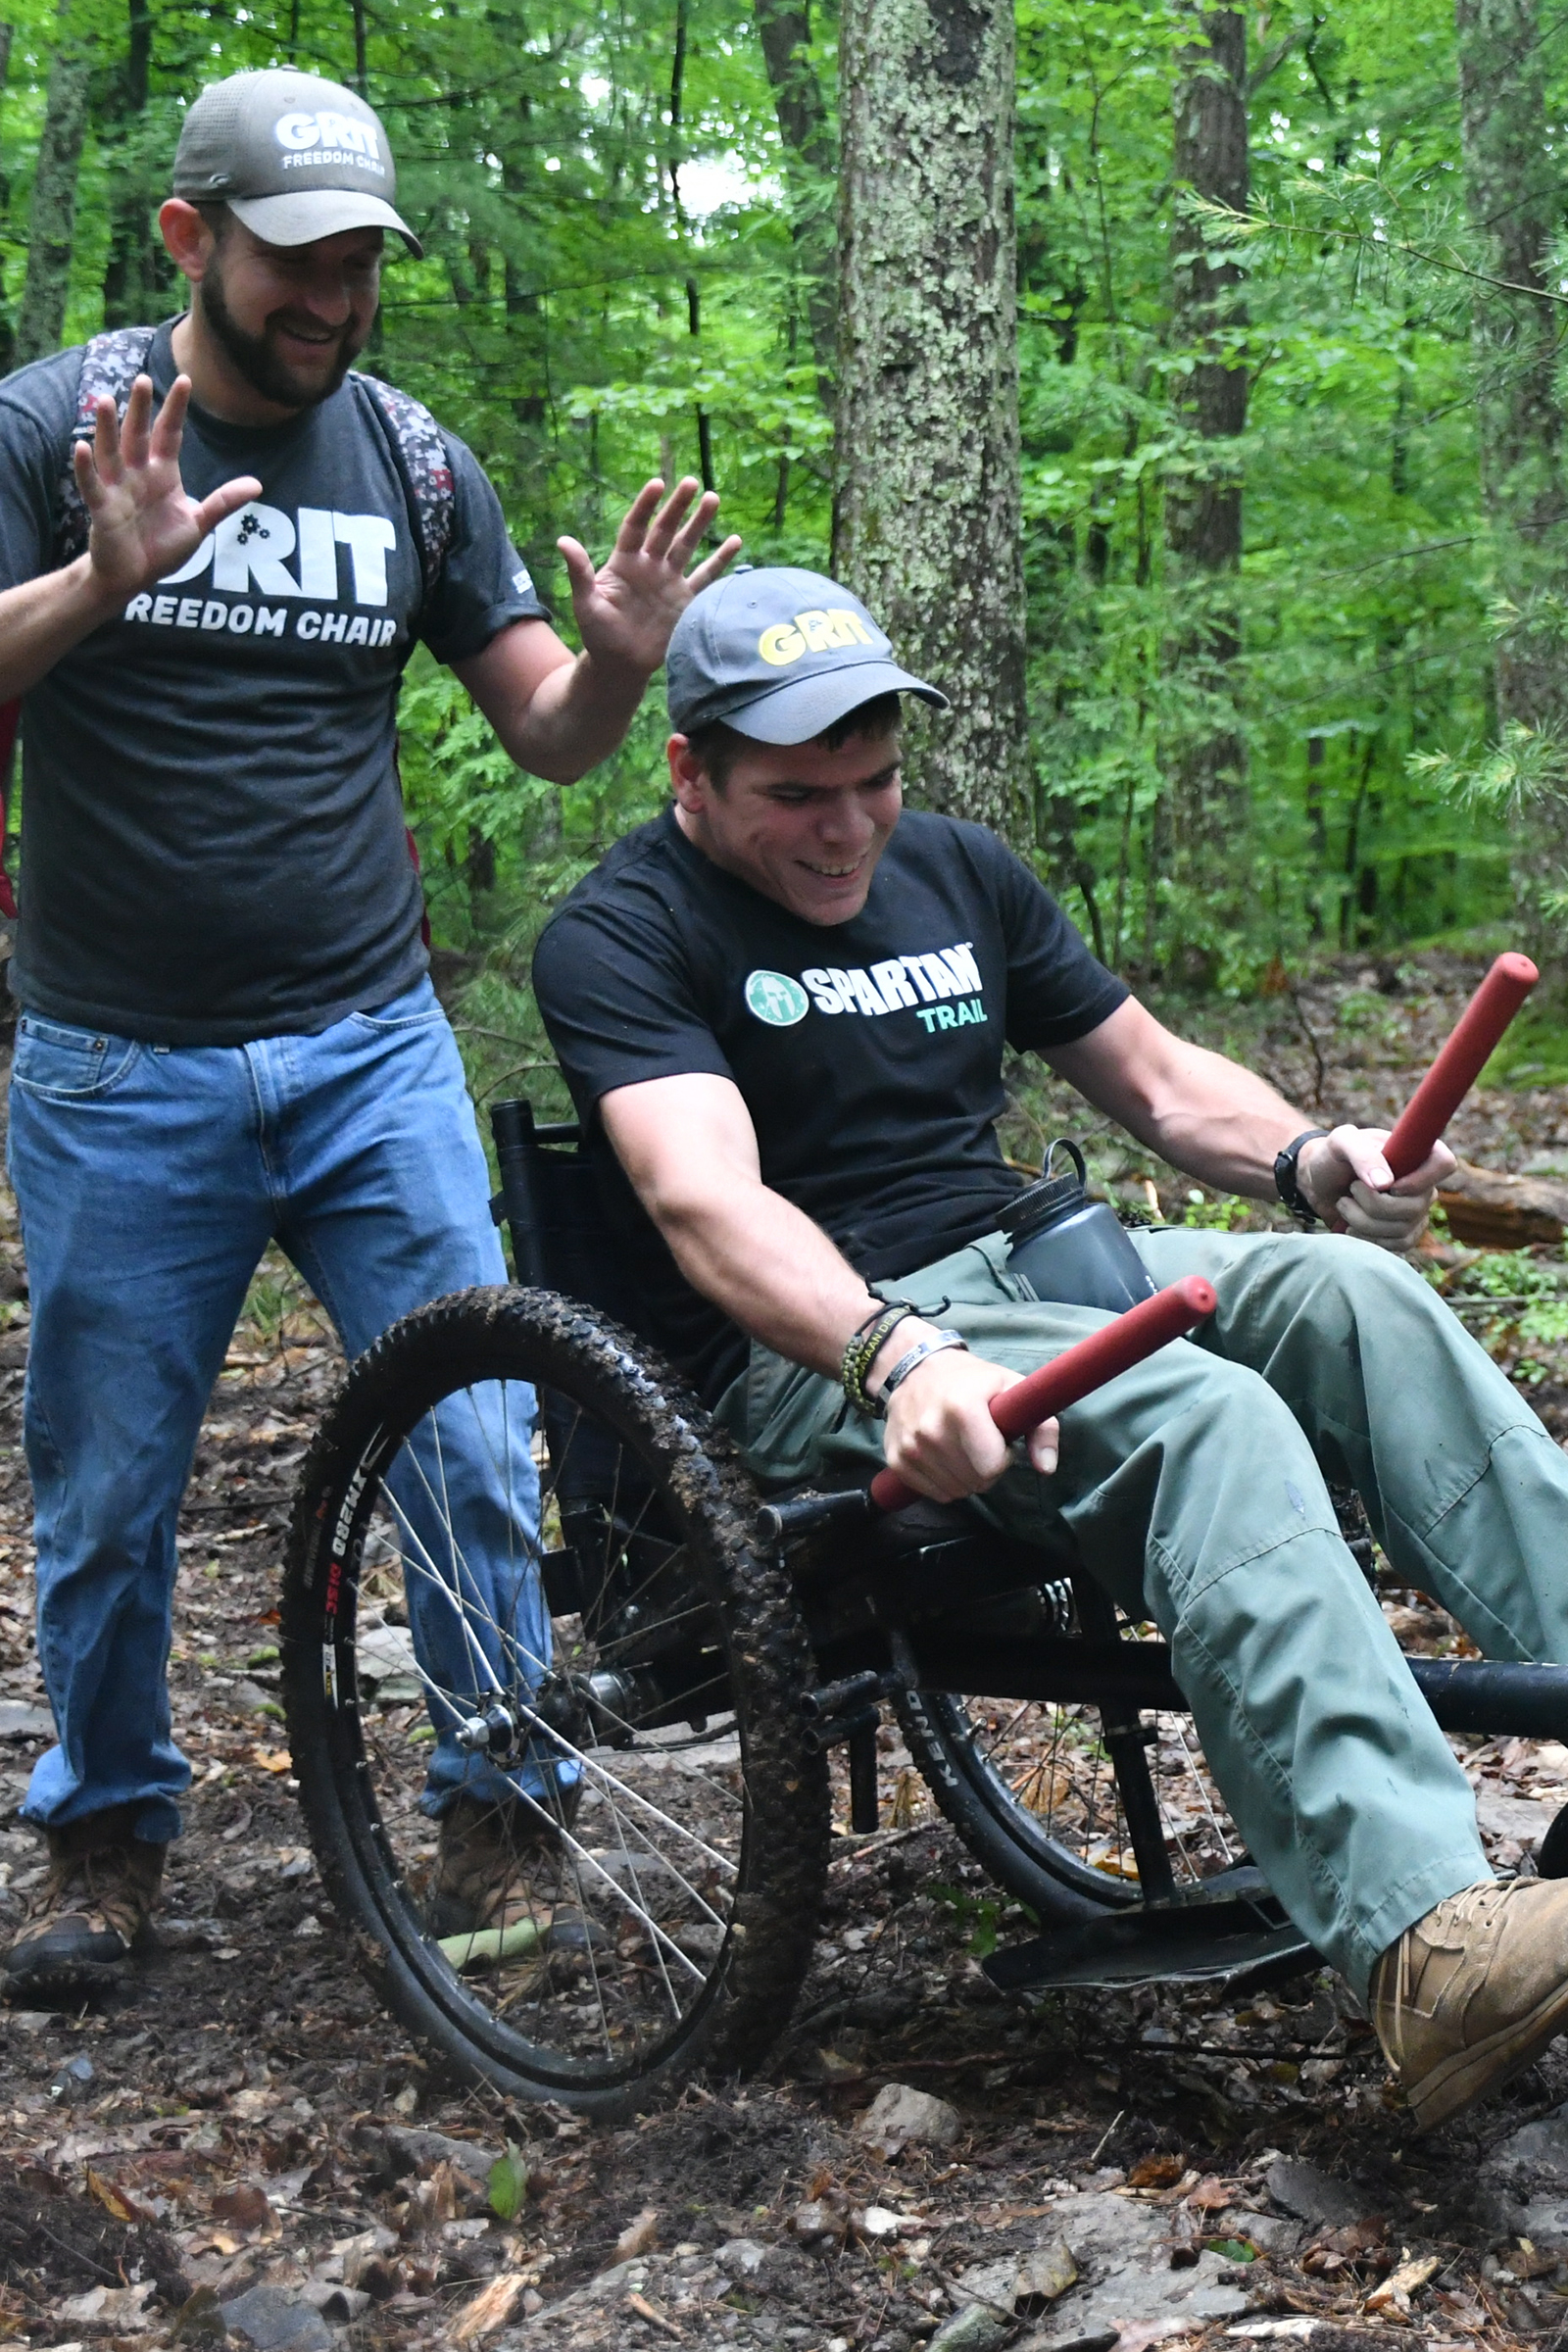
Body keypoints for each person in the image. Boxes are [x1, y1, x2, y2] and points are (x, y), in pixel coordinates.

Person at [533, 563, 1568, 2132]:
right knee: (1198, 1416)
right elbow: (704, 1203)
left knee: (1365, 1299)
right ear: (688, 768)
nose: (848, 829)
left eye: (875, 784)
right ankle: (1423, 1945)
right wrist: (895, 1360)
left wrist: (1315, 1158)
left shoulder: (955, 870)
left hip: (1047, 1260)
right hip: (820, 1343)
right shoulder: (625, 932)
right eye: (797, 795)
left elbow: (1153, 1081)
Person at [0, 66, 741, 1998]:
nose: (332, 304)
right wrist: (102, 577)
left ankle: (500, 1801)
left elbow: (549, 735)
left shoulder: (409, 462)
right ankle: (105, 1840)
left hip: (365, 1047)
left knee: (478, 1438)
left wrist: (619, 663)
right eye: (297, 267)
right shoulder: (46, 431)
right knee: (105, 1484)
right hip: (115, 1065)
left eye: (360, 270)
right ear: (191, 238)